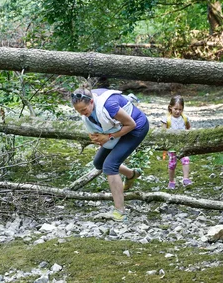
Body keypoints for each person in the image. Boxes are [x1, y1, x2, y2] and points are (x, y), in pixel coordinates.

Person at [71, 83, 149, 222]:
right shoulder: (86, 99)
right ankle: (132, 174)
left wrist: (108, 137)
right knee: (99, 163)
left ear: (92, 101)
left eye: (84, 110)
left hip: (136, 128)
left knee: (110, 166)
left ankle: (120, 212)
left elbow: (131, 124)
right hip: (116, 129)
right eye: (79, 112)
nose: (82, 113)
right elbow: (98, 123)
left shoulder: (109, 105)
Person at [162, 95, 193, 189]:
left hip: (183, 144)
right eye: (175, 109)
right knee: (172, 163)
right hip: (171, 145)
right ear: (170, 107)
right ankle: (171, 181)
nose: (178, 111)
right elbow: (162, 132)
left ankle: (186, 179)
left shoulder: (185, 118)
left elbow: (189, 128)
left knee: (186, 160)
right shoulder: (166, 119)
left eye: (180, 109)